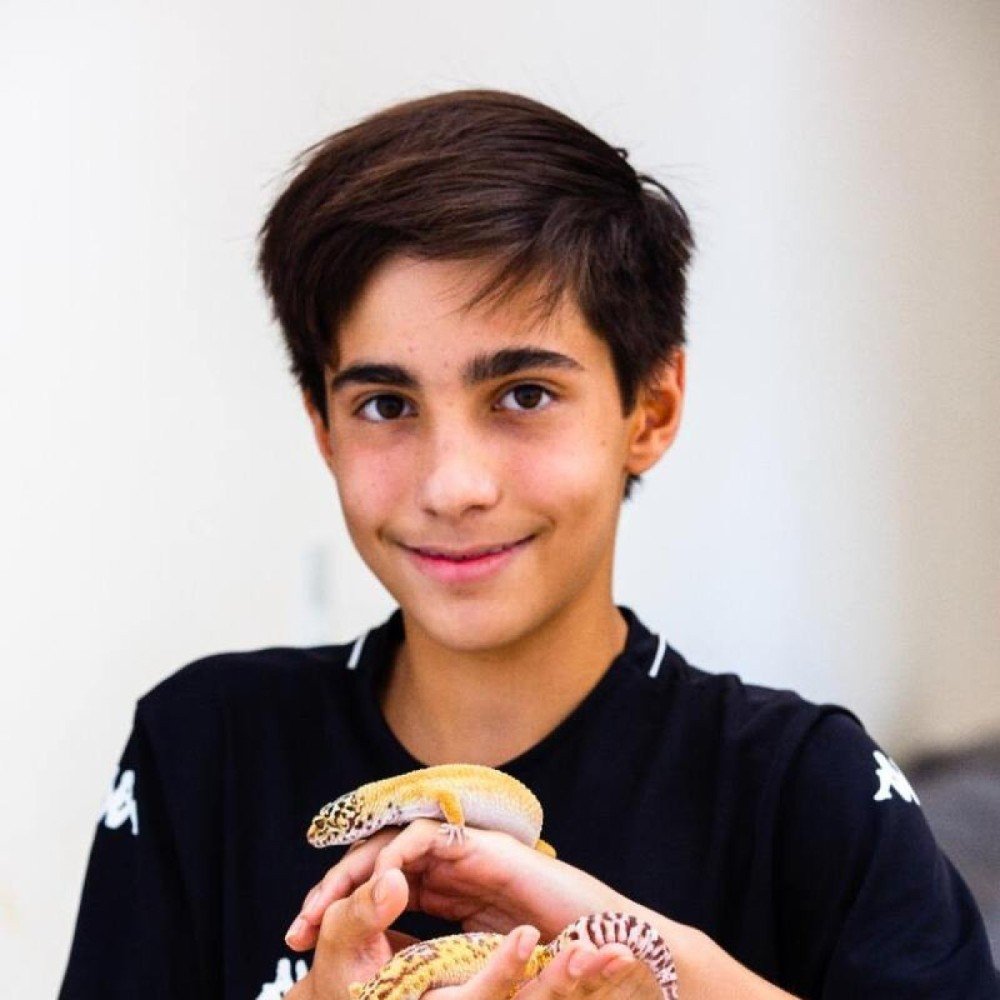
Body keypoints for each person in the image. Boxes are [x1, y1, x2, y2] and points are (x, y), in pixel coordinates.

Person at [59, 89, 999, 1000]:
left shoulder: (806, 788)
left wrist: (667, 975)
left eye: (523, 395)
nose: (453, 486)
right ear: (323, 428)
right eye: (385, 405)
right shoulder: (207, 749)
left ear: (651, 409)